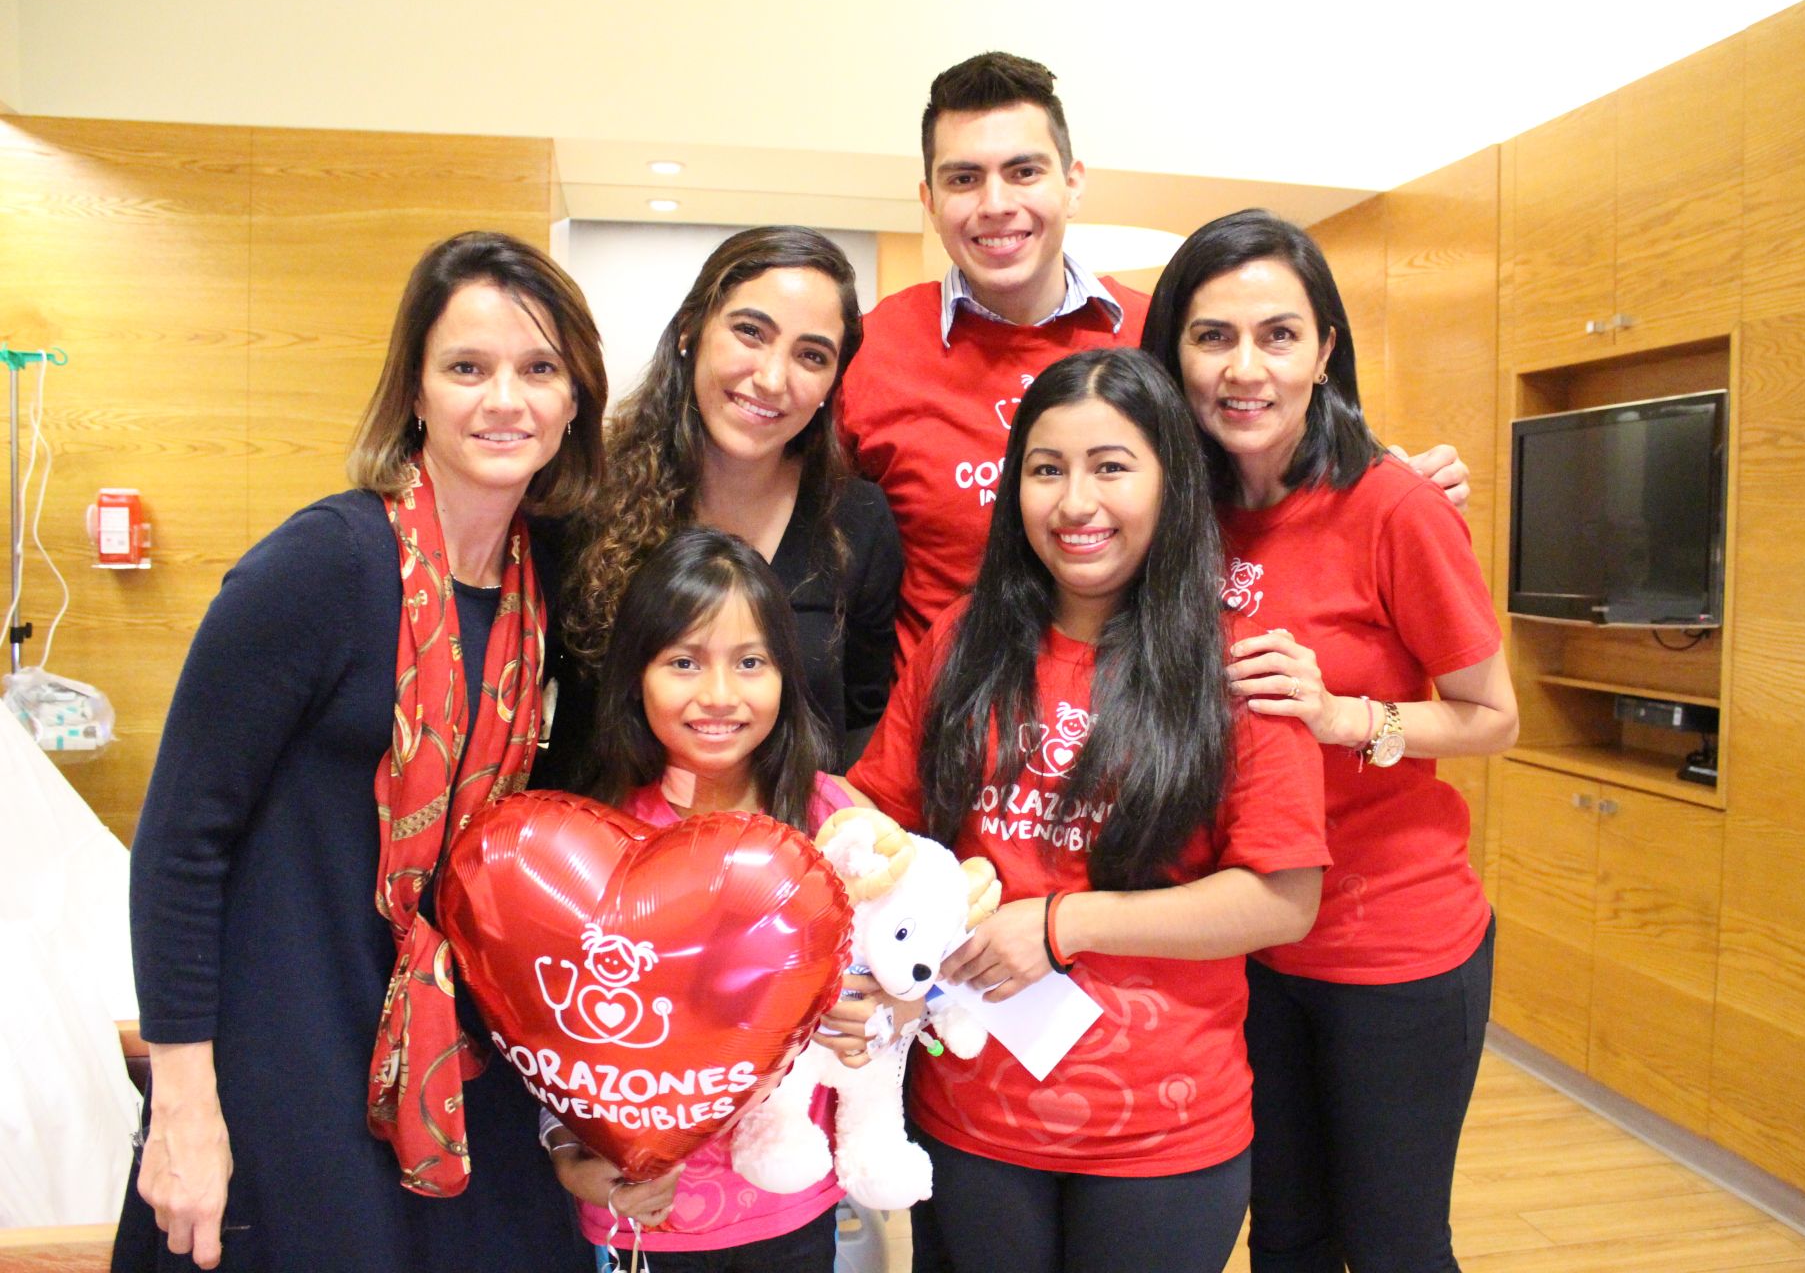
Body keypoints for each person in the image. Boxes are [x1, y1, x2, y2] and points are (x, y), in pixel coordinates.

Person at [115, 232, 608, 1271]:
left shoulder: (555, 591)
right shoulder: (323, 566)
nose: (503, 399)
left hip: (468, 1068)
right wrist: (183, 1106)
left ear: (574, 403)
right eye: (466, 368)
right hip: (287, 1060)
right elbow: (179, 843)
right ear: (416, 394)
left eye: (538, 369)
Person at [848, 348, 1331, 1273]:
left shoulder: (1239, 666)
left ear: (1172, 482)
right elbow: (878, 825)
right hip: (968, 1111)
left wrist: (1064, 924)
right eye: (1046, 469)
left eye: (1112, 466)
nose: (1077, 503)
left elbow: (1282, 899)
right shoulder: (963, 641)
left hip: (1163, 1134)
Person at [1141, 208, 1520, 1272]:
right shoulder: (1178, 509)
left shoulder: (1392, 501)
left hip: (1390, 943)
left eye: (1278, 334)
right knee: (1288, 1236)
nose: (1244, 367)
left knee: (1394, 1242)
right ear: (1174, 352)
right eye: (1212, 336)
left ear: (1325, 351)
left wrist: (1344, 716)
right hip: (1246, 938)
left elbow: (1495, 714)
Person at [838, 51, 1468, 668]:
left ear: (1073, 183)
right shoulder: (867, 352)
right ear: (928, 197)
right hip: (951, 730)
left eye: (1024, 171)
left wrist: (1396, 491)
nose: (996, 203)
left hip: (1155, 725)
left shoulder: (1172, 337)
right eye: (963, 178)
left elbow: (1280, 455)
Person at [539, 526, 888, 1272]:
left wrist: (880, 1014)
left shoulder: (834, 821)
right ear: (637, 675)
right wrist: (573, 1156)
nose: (719, 696)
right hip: (643, 1222)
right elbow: (557, 1034)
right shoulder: (594, 839)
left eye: (750, 662)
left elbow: (908, 979)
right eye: (685, 662)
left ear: (786, 676)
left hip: (792, 1204)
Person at [555, 226, 900, 780]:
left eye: (811, 355)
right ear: (691, 329)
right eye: (749, 332)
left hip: (787, 855)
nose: (770, 378)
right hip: (596, 851)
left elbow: (863, 716)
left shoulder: (857, 522)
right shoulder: (587, 502)